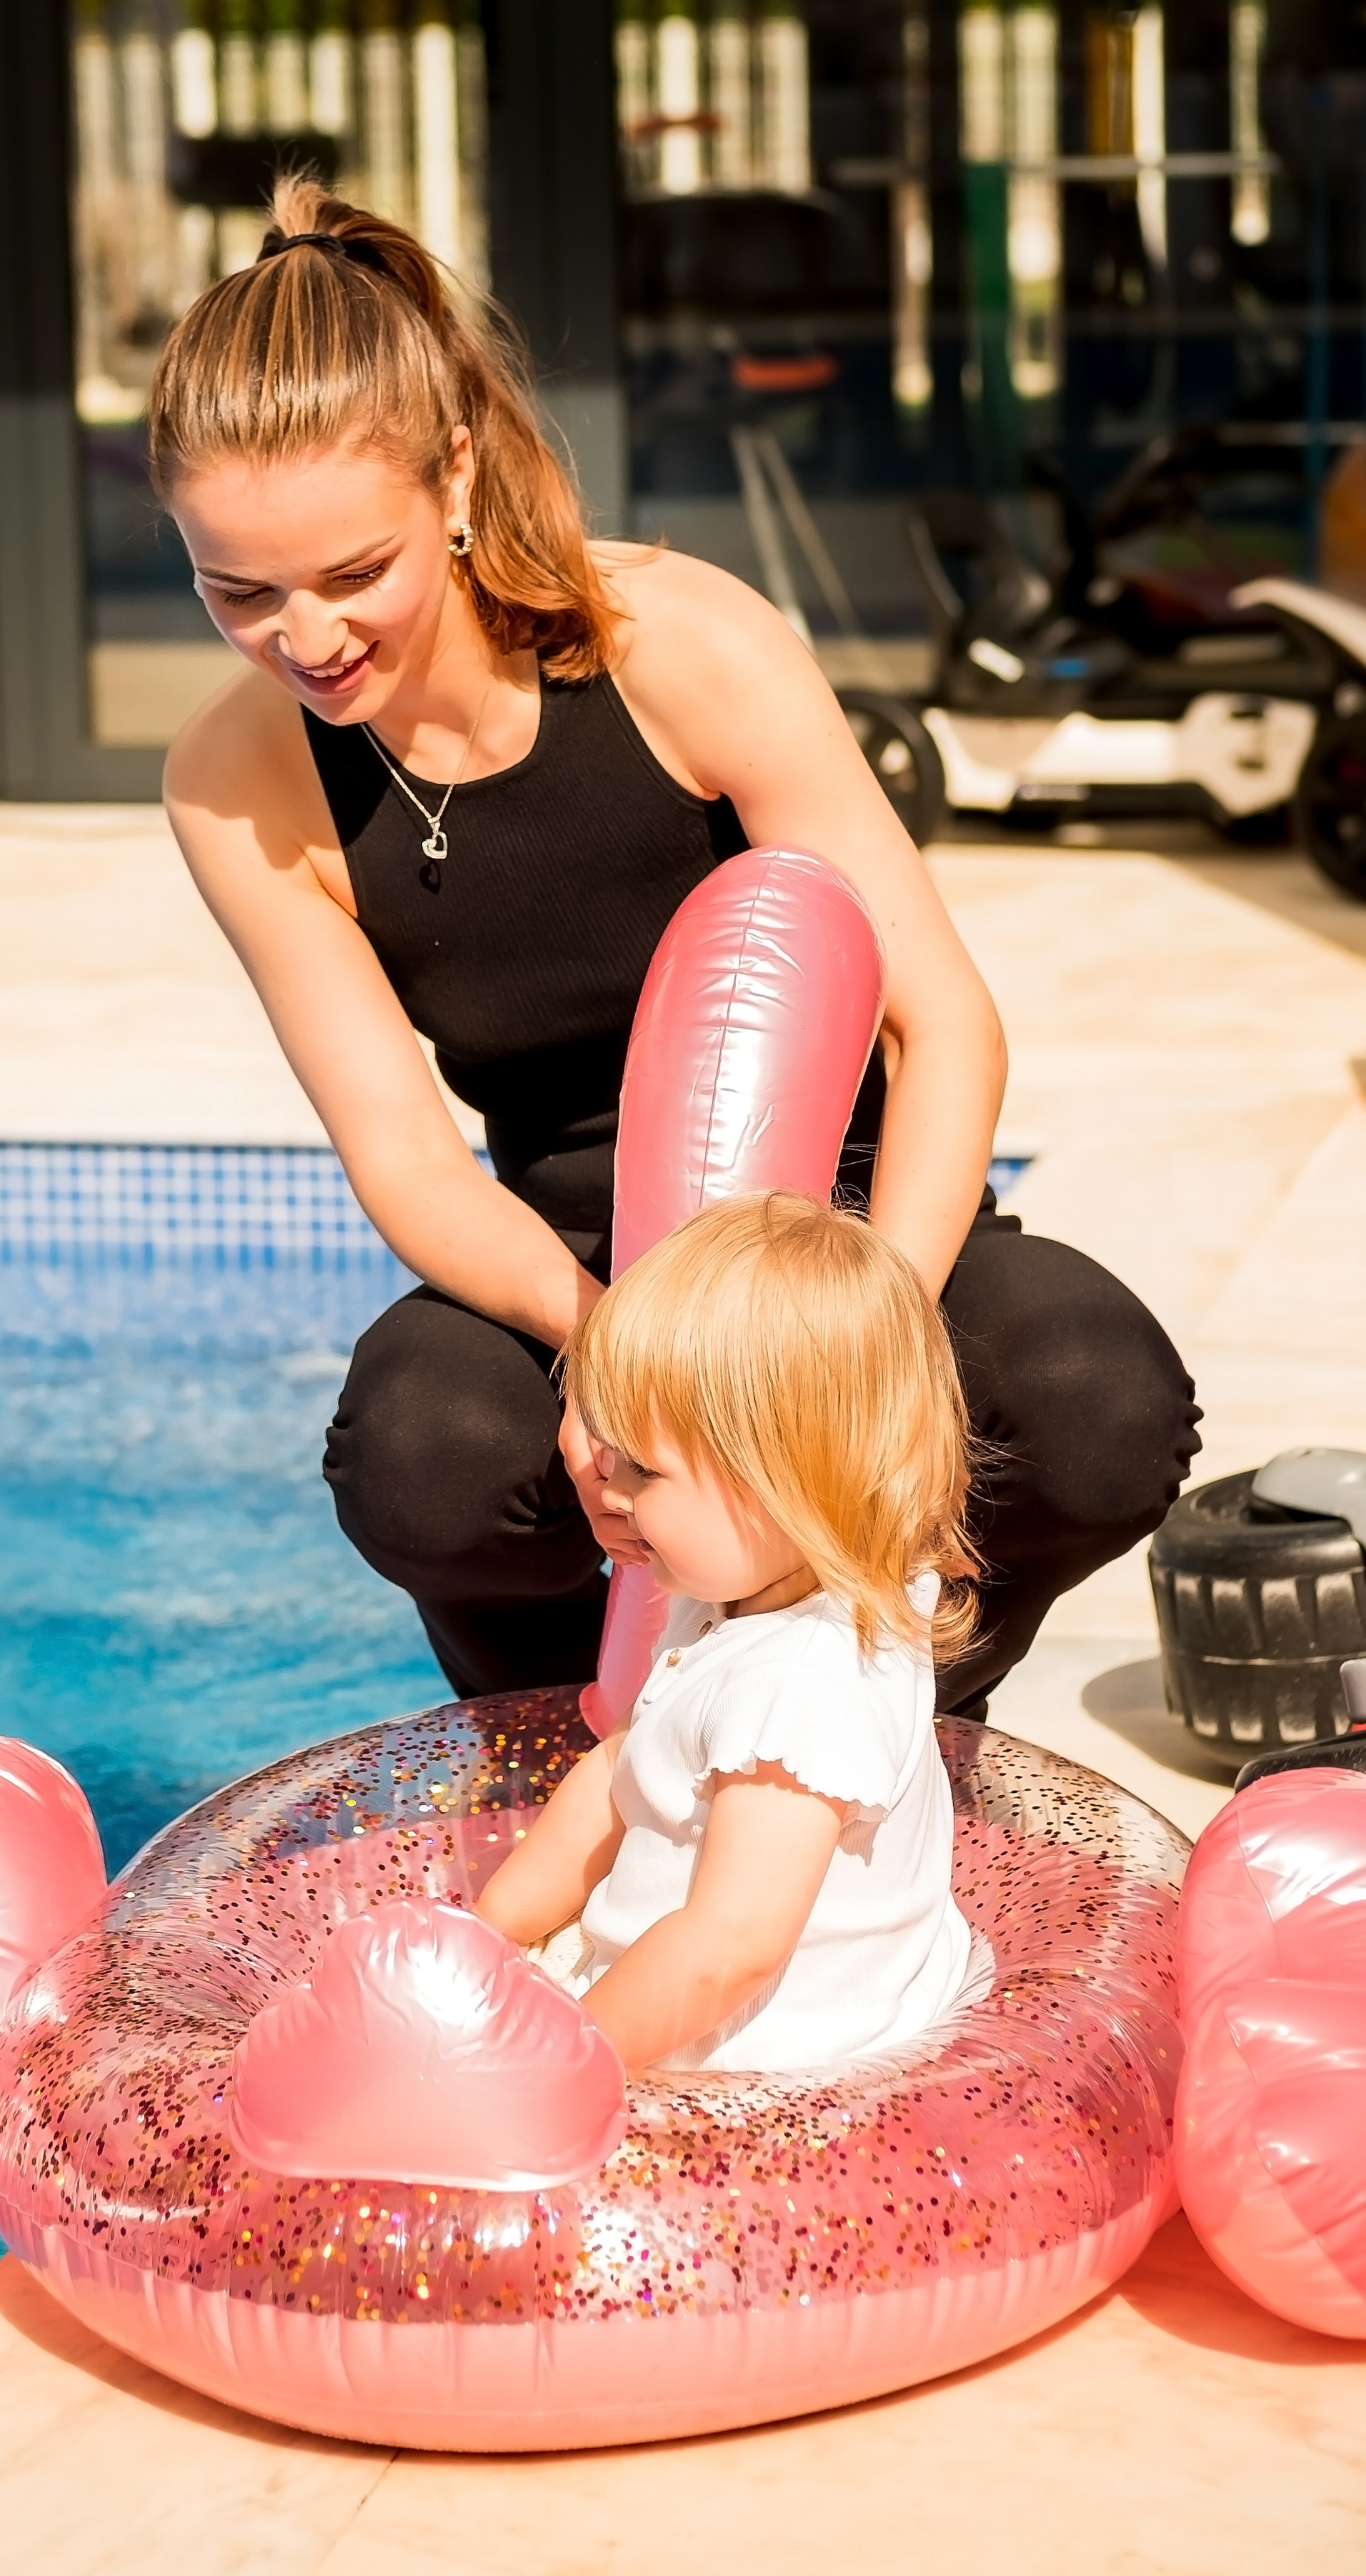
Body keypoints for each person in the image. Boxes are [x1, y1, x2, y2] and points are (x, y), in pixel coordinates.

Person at [156, 174, 1200, 1721]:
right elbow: (411, 1161)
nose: (303, 639)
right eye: (236, 591)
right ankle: (543, 1754)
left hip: (841, 1234)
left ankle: (914, 1709)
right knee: (419, 1455)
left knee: (1094, 1406)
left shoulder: (675, 646)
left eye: (350, 574)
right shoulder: (234, 779)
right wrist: (623, 1359)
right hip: (581, 1264)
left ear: (451, 477)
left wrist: (859, 1343)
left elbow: (941, 1030)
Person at [477, 1192, 983, 2075]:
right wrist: (484, 1936)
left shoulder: (806, 1683)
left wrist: (554, 2073)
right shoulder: (746, 1584)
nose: (607, 1487)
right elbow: (621, 1772)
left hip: (757, 2067)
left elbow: (728, 1947)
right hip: (669, 1997)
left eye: (640, 1469)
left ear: (783, 1483)